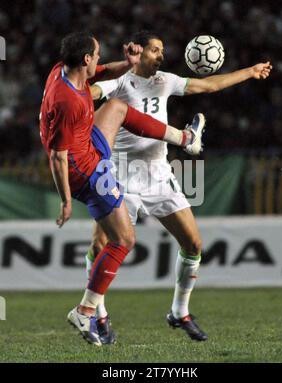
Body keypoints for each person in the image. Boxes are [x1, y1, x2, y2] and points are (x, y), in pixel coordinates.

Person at [87, 31, 272, 342]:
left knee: (193, 245)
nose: (162, 55)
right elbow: (92, 90)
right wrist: (77, 91)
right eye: (156, 50)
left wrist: (250, 72)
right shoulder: (119, 80)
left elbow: (209, 85)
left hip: (159, 174)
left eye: (163, 50)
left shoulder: (165, 80)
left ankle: (179, 312)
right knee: (99, 246)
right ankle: (97, 315)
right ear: (139, 51)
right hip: (119, 176)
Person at [39, 32, 206, 346]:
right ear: (85, 59)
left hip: (86, 143)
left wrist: (126, 63)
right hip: (86, 171)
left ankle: (185, 139)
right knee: (124, 239)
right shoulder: (69, 101)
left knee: (117, 108)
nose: (100, 60)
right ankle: (86, 309)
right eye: (98, 54)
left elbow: (102, 73)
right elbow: (58, 157)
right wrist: (66, 201)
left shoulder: (61, 71)